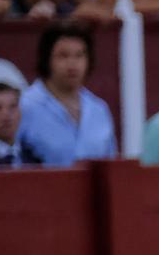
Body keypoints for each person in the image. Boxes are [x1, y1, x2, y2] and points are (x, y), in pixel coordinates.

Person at [18, 23, 115, 167]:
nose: (72, 64)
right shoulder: (25, 106)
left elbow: (110, 165)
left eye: (79, 55)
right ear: (47, 59)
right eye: (63, 56)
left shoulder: (99, 109)